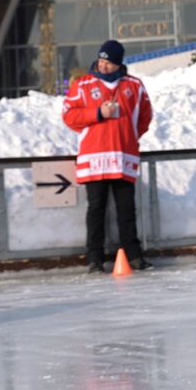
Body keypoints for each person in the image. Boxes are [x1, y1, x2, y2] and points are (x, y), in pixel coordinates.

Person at [62, 39, 154, 273]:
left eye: (108, 62)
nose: (103, 66)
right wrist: (97, 113)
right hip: (94, 159)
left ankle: (133, 255)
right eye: (101, 61)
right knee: (96, 209)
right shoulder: (83, 85)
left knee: (126, 209)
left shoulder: (134, 86)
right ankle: (94, 257)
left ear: (118, 64)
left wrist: (130, 136)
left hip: (123, 158)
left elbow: (145, 117)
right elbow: (69, 116)